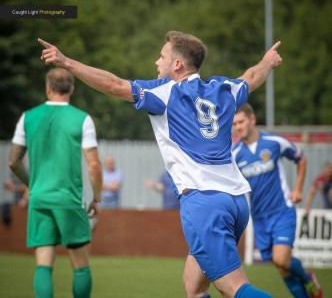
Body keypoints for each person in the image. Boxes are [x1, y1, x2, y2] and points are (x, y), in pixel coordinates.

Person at [37, 31, 283, 298]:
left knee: (235, 288)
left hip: (204, 202)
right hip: (236, 202)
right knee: (194, 286)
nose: (157, 61)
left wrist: (67, 62)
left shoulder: (164, 93)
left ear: (177, 64)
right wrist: (268, 61)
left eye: (162, 56)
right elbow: (252, 77)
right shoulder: (224, 88)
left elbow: (114, 84)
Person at [8, 68, 103, 298]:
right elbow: (94, 166)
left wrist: (32, 184)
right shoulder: (82, 119)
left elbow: (13, 162)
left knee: (43, 265)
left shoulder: (27, 117)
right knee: (80, 265)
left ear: (48, 88)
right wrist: (97, 199)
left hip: (40, 200)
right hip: (69, 200)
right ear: (71, 89)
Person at [232, 103, 323, 298]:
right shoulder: (235, 154)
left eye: (241, 121)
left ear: (252, 119)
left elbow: (301, 158)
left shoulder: (273, 142)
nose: (238, 127)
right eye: (234, 124)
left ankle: (308, 279)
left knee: (281, 259)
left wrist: (298, 189)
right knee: (282, 268)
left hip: (282, 211)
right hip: (259, 218)